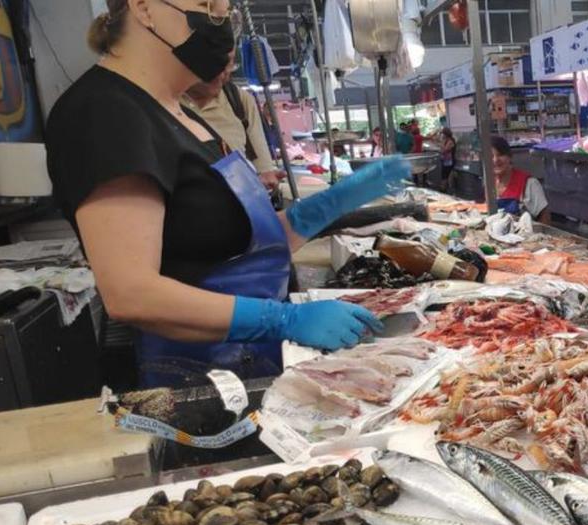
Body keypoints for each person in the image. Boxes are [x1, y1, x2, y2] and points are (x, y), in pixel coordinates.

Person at [45, 0, 409, 387]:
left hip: (250, 364)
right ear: (144, 8)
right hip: (197, 380)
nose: (220, 23)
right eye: (206, 4)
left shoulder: (177, 111)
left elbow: (239, 249)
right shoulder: (106, 112)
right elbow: (130, 292)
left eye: (226, 9)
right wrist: (282, 319)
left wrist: (330, 204)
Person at [183, 50, 282, 192]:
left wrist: (263, 180)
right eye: (219, 67)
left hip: (234, 201)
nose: (225, 75)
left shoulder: (239, 100)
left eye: (229, 67)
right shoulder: (162, 101)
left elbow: (264, 169)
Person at [492, 136, 550, 224]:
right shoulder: (486, 184)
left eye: (500, 155)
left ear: (509, 157)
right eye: (491, 156)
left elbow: (545, 218)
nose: (495, 160)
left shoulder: (529, 184)